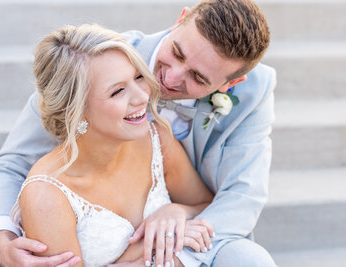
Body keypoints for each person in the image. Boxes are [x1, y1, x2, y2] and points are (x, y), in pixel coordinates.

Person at [0, 0, 277, 266]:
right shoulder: (94, 61)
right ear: (180, 20)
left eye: (199, 78)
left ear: (232, 83)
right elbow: (11, 164)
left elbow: (243, 195)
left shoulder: (251, 91)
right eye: (177, 53)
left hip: (190, 234)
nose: (171, 78)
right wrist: (3, 237)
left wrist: (179, 225)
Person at [11, 23, 215, 267]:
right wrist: (145, 256)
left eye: (139, 77)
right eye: (117, 91)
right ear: (75, 110)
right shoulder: (46, 195)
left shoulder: (156, 138)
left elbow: (206, 205)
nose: (142, 97)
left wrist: (178, 212)